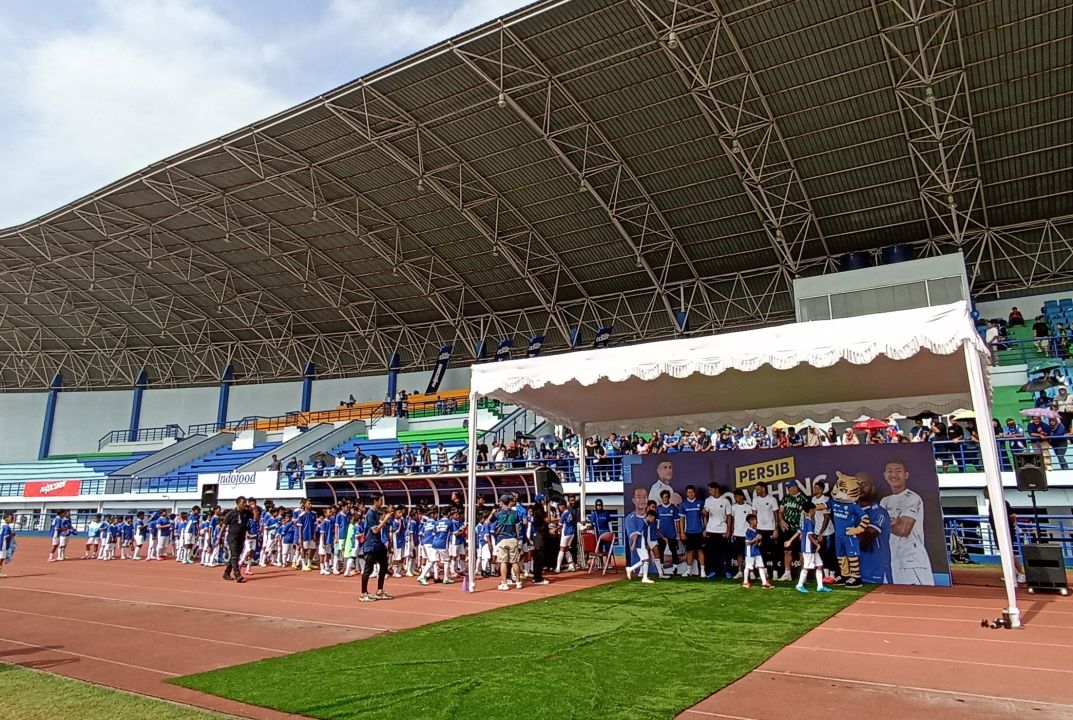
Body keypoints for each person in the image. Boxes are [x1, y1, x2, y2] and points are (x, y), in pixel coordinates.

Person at [879, 459, 934, 585]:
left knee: (919, 598)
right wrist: (893, 522)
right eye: (889, 471)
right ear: (885, 475)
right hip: (891, 559)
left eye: (898, 471)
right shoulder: (884, 501)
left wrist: (885, 523)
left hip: (911, 559)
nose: (893, 475)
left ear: (906, 475)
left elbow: (903, 530)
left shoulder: (912, 498)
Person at [783, 502, 830, 593]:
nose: (815, 512)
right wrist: (817, 544)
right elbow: (809, 536)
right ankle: (799, 585)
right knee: (806, 567)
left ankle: (820, 586)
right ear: (811, 510)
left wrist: (790, 541)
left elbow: (799, 531)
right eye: (814, 510)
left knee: (819, 565)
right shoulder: (808, 521)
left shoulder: (805, 520)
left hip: (810, 548)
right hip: (809, 548)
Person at [983, 486, 1026, 583]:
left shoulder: (1002, 503)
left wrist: (1012, 525)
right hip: (997, 531)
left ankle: (1021, 573)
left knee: (1009, 552)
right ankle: (1011, 573)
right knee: (1004, 553)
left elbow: (1012, 515)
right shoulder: (991, 504)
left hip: (1005, 531)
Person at [857, 474, 893, 584]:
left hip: (877, 573)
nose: (860, 488)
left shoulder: (878, 512)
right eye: (856, 485)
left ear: (872, 489)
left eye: (864, 484)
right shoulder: (851, 511)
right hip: (857, 573)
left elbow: (866, 540)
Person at [360, 494, 393, 602]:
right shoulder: (370, 513)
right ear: (375, 501)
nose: (382, 503)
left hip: (378, 544)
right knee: (368, 570)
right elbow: (375, 530)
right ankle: (363, 593)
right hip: (371, 545)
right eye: (380, 500)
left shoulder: (375, 513)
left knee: (384, 565)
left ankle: (380, 590)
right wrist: (385, 520)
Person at [492, 494, 523, 591]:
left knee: (503, 562)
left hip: (502, 539)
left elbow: (489, 521)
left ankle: (505, 583)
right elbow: (518, 527)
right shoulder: (515, 513)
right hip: (513, 538)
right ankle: (518, 582)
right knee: (515, 561)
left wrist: (493, 512)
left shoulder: (498, 513)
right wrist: (518, 538)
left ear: (501, 502)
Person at [703, 482, 733, 579]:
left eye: (711, 489)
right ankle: (713, 571)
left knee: (725, 552)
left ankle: (727, 571)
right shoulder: (708, 500)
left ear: (716, 489)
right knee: (712, 552)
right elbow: (705, 514)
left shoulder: (725, 501)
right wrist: (705, 527)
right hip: (711, 529)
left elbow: (729, 516)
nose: (709, 491)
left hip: (722, 529)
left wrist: (728, 530)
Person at [778, 482, 807, 581]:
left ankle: (803, 575)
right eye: (788, 488)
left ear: (795, 487)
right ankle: (787, 573)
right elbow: (781, 512)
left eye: (790, 487)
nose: (789, 489)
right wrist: (782, 521)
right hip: (788, 528)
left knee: (801, 552)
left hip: (799, 529)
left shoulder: (803, 499)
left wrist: (803, 530)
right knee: (787, 551)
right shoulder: (785, 498)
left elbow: (808, 515)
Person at [752, 483, 780, 577]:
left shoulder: (772, 499)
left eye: (758, 489)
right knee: (761, 551)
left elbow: (776, 516)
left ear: (763, 489)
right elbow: (754, 515)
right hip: (760, 529)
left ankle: (775, 571)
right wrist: (754, 529)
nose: (757, 491)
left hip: (770, 529)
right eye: (756, 489)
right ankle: (765, 572)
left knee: (773, 551)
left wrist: (776, 529)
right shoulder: (755, 500)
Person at [220, 496, 251, 583]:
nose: (245, 504)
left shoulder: (247, 512)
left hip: (241, 537)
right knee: (234, 555)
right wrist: (219, 537)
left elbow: (256, 518)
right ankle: (237, 575)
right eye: (243, 503)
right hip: (232, 537)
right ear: (238, 503)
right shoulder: (231, 513)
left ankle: (226, 573)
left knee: (235, 556)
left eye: (245, 502)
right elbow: (224, 525)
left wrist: (254, 508)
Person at [654, 489, 682, 576]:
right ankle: (661, 568)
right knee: (661, 551)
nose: (665, 499)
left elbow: (677, 521)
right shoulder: (658, 508)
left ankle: (675, 568)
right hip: (661, 535)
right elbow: (656, 523)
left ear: (669, 498)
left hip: (672, 534)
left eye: (666, 497)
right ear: (661, 498)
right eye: (663, 497)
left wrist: (678, 533)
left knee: (674, 551)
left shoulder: (674, 508)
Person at [680, 485, 705, 577]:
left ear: (695, 493)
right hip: (689, 532)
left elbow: (704, 517)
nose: (691, 494)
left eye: (692, 492)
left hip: (699, 531)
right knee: (689, 552)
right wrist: (682, 532)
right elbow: (682, 520)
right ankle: (688, 570)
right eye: (689, 492)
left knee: (700, 551)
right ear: (686, 493)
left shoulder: (700, 503)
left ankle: (702, 571)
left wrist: (704, 529)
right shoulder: (684, 504)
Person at [742, 514, 772, 589]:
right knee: (748, 566)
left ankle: (764, 582)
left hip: (757, 551)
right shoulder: (748, 531)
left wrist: (759, 542)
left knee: (760, 566)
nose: (757, 521)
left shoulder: (756, 531)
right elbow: (747, 542)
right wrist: (756, 538)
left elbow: (757, 542)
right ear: (751, 521)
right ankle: (745, 581)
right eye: (755, 520)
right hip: (750, 552)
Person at [730, 489, 753, 579]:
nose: (736, 498)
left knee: (748, 554)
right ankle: (740, 571)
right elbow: (732, 521)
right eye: (735, 497)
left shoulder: (748, 507)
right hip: (737, 533)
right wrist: (732, 533)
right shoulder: (733, 507)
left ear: (742, 497)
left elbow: (752, 522)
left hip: (746, 534)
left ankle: (751, 572)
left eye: (737, 497)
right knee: (739, 554)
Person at [554, 500, 576, 573]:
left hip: (566, 533)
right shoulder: (571, 512)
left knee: (562, 549)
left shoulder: (564, 514)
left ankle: (558, 568)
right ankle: (571, 565)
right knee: (566, 549)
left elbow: (560, 525)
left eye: (559, 506)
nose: (559, 508)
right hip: (572, 533)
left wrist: (554, 530)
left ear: (562, 506)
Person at [0, 511, 15, 578]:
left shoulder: (2, 524)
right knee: (1, 558)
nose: (13, 519)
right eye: (11, 517)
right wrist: (12, 534)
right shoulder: (6, 527)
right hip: (3, 543)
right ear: (7, 517)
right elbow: (5, 536)